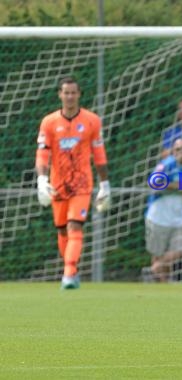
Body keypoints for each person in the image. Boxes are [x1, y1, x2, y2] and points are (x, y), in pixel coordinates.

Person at [35, 76, 111, 290]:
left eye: (73, 92)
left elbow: (99, 154)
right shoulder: (49, 122)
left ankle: (68, 274)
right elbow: (42, 154)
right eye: (65, 92)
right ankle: (72, 271)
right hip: (57, 184)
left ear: (79, 94)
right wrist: (41, 180)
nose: (69, 96)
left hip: (82, 184)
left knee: (74, 225)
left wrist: (105, 184)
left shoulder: (91, 121)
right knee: (62, 231)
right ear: (59, 94)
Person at [145, 138, 182, 282]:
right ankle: (162, 285)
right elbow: (154, 182)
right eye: (177, 149)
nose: (181, 152)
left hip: (178, 217)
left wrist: (178, 185)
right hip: (158, 216)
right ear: (172, 151)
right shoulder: (166, 165)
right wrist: (180, 186)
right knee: (158, 253)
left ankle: (153, 269)